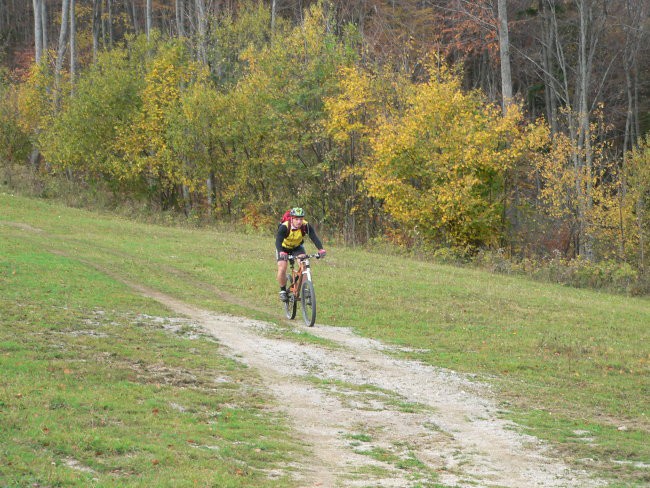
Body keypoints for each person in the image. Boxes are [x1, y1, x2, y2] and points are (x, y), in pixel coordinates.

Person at [276, 207, 326, 302]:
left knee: (304, 264)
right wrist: (281, 252)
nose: (299, 222)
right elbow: (278, 241)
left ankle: (306, 291)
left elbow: (314, 237)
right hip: (283, 248)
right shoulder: (285, 226)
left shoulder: (305, 225)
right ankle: (282, 291)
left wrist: (321, 249)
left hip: (297, 247)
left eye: (301, 219)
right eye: (296, 219)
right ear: (292, 218)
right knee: (282, 267)